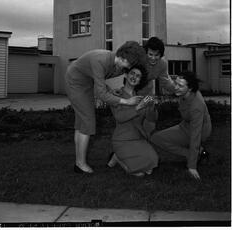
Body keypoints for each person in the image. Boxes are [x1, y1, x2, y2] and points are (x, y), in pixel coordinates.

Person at [65, 41, 145, 174]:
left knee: (82, 122)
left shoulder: (116, 64)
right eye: (129, 64)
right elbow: (101, 94)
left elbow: (99, 81)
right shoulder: (100, 60)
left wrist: (110, 91)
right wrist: (126, 101)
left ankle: (79, 162)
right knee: (88, 121)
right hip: (75, 82)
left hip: (86, 82)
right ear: (122, 58)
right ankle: (80, 164)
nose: (129, 68)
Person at [150, 71, 212, 180]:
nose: (176, 87)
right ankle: (198, 153)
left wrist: (192, 167)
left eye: (180, 85)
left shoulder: (196, 106)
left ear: (190, 88)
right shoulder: (184, 92)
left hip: (200, 131)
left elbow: (195, 136)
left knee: (193, 141)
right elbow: (169, 84)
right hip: (184, 126)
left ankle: (194, 155)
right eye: (176, 83)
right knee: (156, 138)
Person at [107, 64, 159, 177]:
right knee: (139, 174)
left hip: (137, 138)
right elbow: (119, 117)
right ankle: (119, 158)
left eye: (138, 76)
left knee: (152, 165)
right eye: (132, 73)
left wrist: (152, 107)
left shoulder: (140, 98)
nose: (134, 77)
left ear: (140, 81)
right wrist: (138, 107)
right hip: (122, 139)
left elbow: (151, 119)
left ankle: (118, 156)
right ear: (126, 74)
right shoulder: (116, 95)